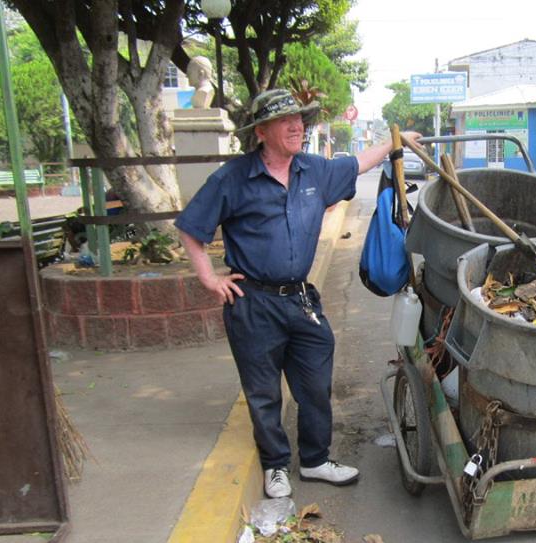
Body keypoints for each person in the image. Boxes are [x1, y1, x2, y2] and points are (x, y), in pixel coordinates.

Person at [176, 88, 420, 499]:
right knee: (264, 390)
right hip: (252, 302)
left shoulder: (313, 170)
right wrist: (210, 280)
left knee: (314, 382)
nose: (296, 127)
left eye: (300, 120)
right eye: (285, 121)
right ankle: (274, 466)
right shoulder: (233, 178)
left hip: (300, 300)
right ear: (261, 131)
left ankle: (315, 460)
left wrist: (396, 142)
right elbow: (191, 228)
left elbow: (356, 163)